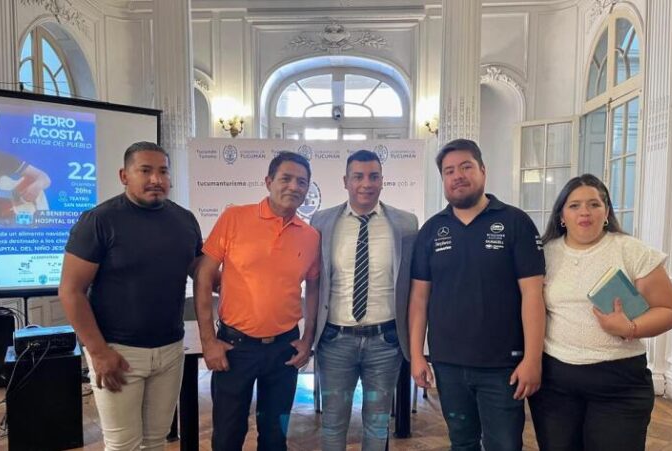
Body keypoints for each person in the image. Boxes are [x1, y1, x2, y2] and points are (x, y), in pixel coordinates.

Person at [58, 141, 203, 450]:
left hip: (171, 350)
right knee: (123, 445)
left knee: (156, 440)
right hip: (117, 352)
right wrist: (99, 352)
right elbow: (71, 291)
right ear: (124, 176)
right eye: (145, 171)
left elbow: (201, 272)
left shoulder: (185, 220)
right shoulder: (98, 221)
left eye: (163, 171)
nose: (156, 179)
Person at [408, 138, 546, 451]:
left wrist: (532, 359)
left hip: (504, 367)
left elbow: (533, 295)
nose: (457, 176)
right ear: (443, 179)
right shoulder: (431, 230)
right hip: (448, 365)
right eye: (449, 171)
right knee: (462, 443)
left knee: (504, 445)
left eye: (466, 167)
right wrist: (417, 355)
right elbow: (419, 299)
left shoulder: (515, 223)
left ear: (483, 170)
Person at [528, 173, 672, 451]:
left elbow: (670, 310)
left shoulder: (631, 250)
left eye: (594, 204)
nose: (584, 212)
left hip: (619, 385)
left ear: (607, 211)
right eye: (574, 205)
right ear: (561, 215)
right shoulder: (544, 254)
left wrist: (630, 328)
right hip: (555, 385)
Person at [193, 151, 320, 451]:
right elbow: (203, 277)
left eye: (302, 182)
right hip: (235, 348)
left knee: (275, 437)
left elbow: (314, 288)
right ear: (268, 181)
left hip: (284, 348)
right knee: (227, 436)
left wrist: (307, 339)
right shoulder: (234, 218)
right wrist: (208, 342)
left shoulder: (311, 236)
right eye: (286, 178)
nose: (294, 187)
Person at [310, 150, 418, 450]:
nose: (366, 184)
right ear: (345, 181)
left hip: (385, 343)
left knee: (378, 425)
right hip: (335, 341)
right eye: (358, 176)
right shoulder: (321, 221)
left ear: (382, 181)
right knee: (333, 424)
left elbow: (414, 285)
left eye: (373, 176)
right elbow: (314, 281)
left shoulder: (407, 224)